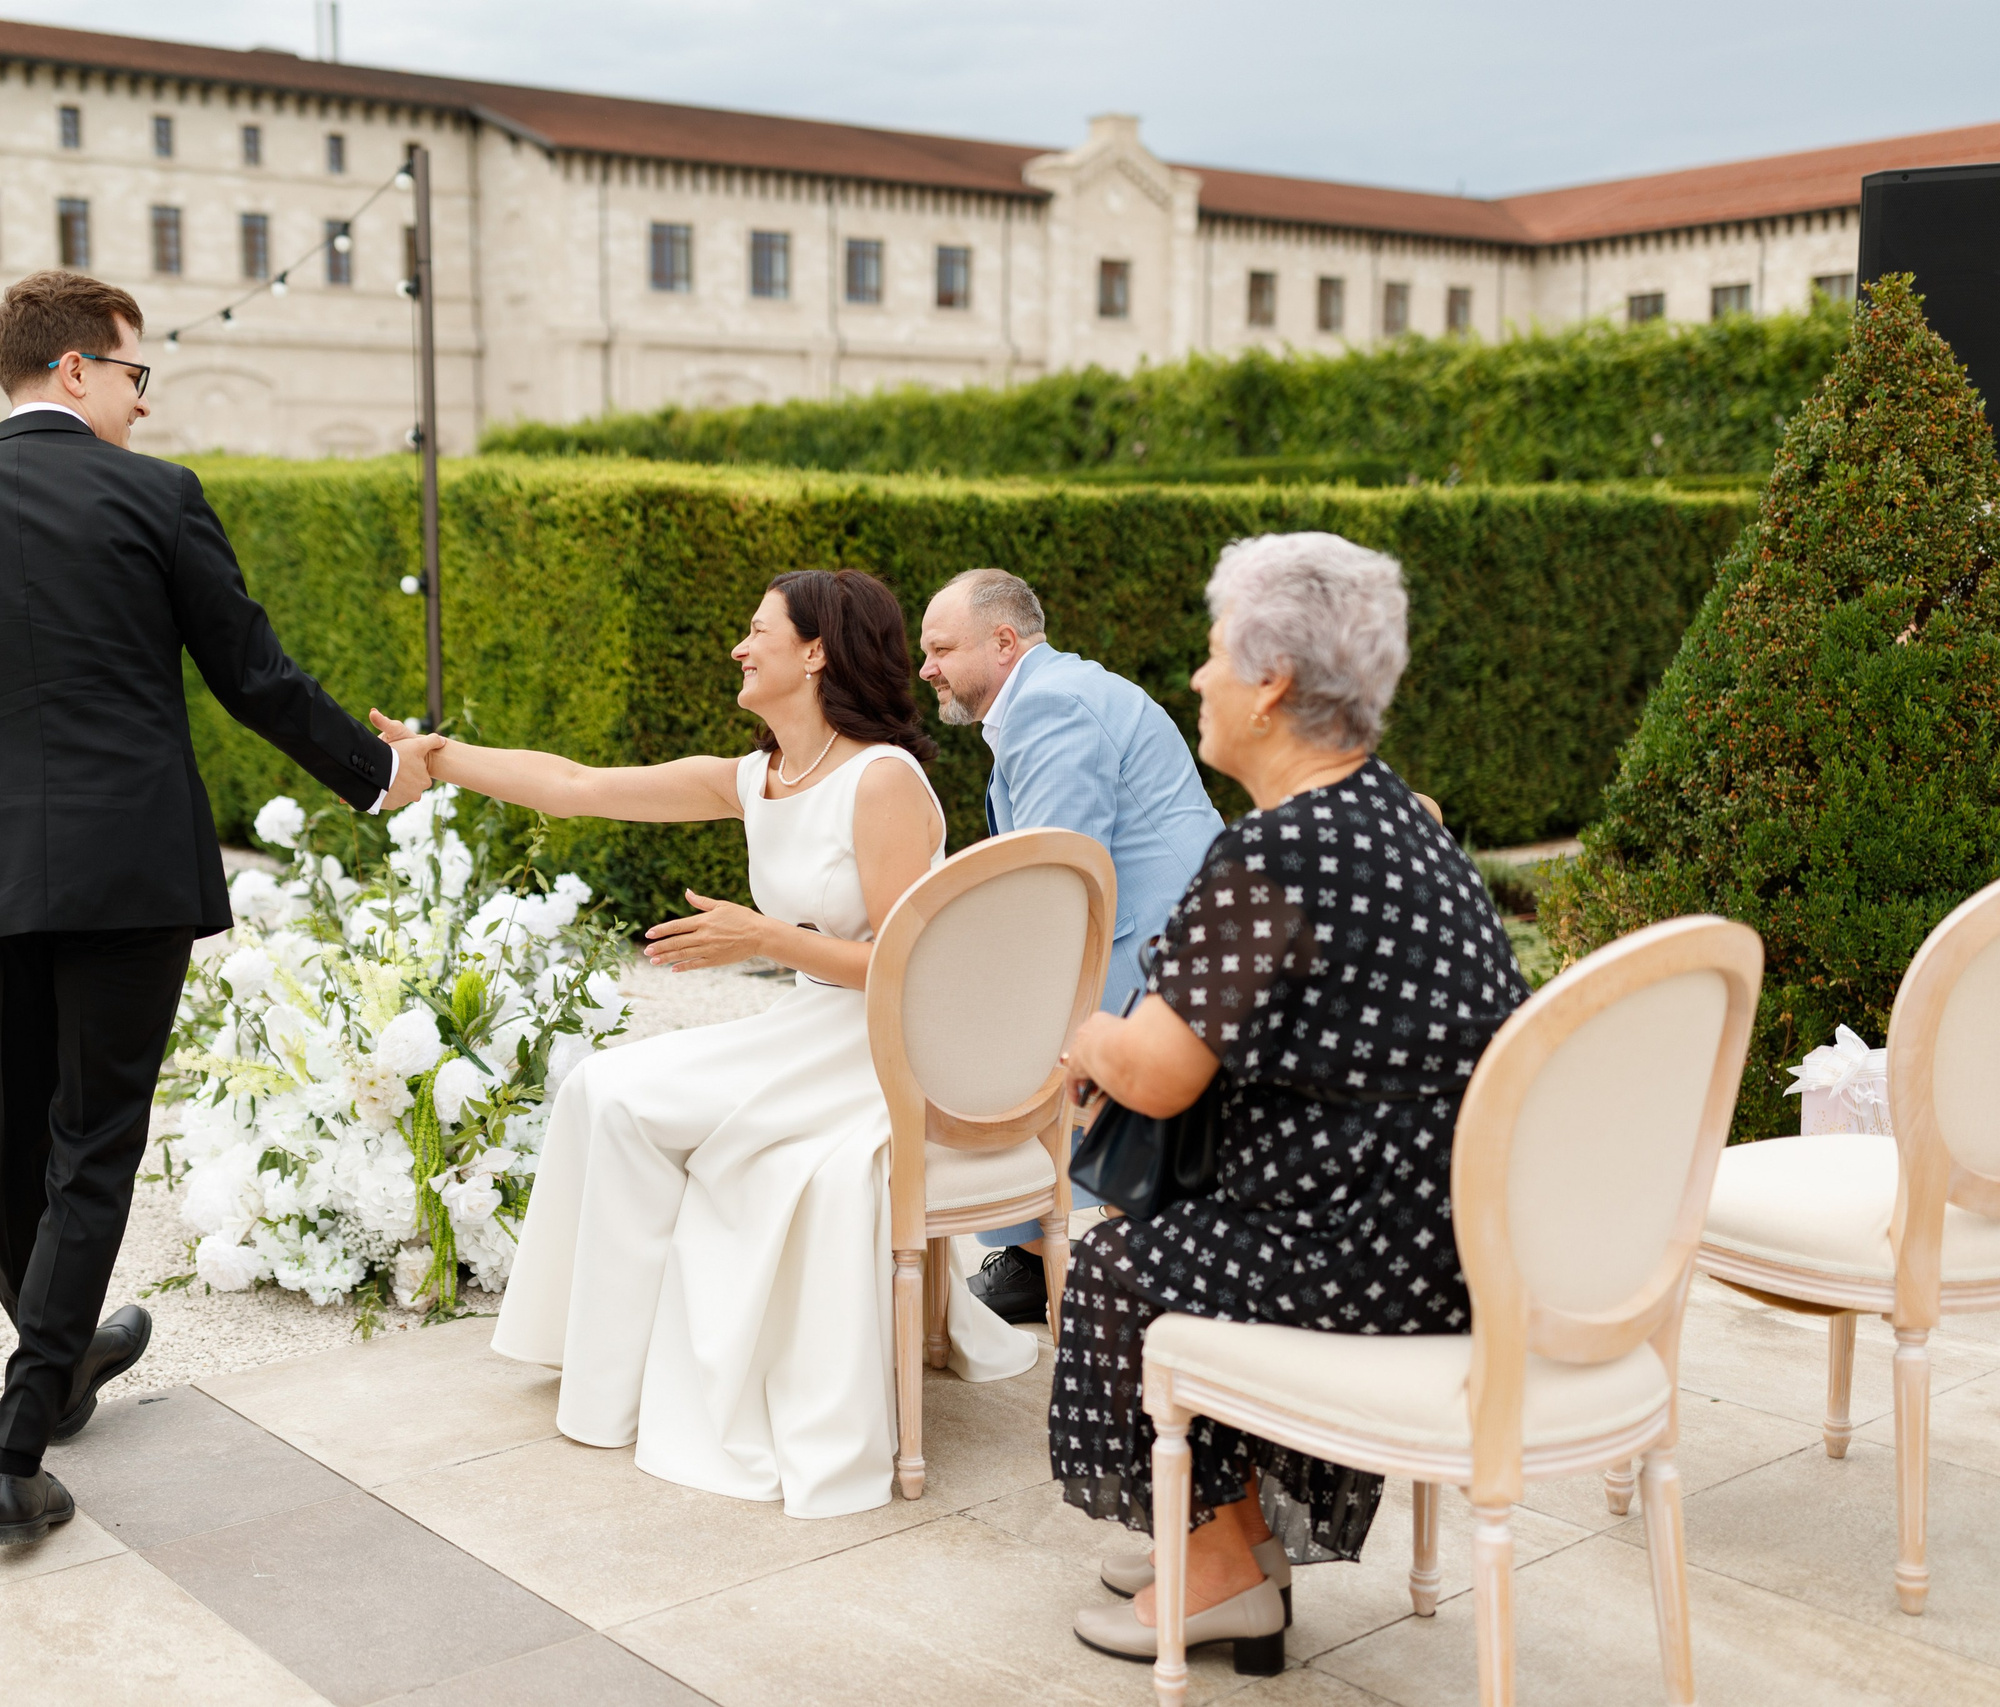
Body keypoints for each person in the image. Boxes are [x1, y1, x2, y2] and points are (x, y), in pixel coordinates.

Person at [0, 270, 442, 1546]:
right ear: (79, 370)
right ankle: (17, 1441)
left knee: (11, 1144)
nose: (147, 405)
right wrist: (382, 772)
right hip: (131, 876)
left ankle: (63, 1356)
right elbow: (252, 676)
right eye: (139, 376)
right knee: (92, 1146)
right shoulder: (157, 499)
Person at [406, 568, 1035, 1519]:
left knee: (626, 1097)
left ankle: (651, 1381)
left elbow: (918, 963)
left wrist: (764, 939)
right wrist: (441, 757)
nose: (739, 648)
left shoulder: (883, 781)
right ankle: (599, 1369)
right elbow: (577, 786)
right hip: (809, 1026)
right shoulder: (762, 776)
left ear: (817, 650)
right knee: (601, 1089)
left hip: (879, 1044)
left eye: (756, 630)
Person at [1047, 532, 1528, 1667]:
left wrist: (1089, 1036)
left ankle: (1218, 1568)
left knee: (1117, 1260)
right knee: (1171, 1210)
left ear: (1268, 686)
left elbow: (1158, 1070)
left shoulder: (1275, 852)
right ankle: (1231, 1530)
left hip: (1368, 1251)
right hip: (1459, 1230)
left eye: (1214, 657)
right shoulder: (1399, 815)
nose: (1198, 680)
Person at [917, 568, 1222, 1323]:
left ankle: (1028, 1250)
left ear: (1003, 641)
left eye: (939, 649)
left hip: (1153, 961)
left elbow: (1057, 879)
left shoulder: (1050, 704)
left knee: (969, 1033)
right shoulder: (1056, 694)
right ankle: (1024, 1250)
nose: (925, 669)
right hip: (1157, 942)